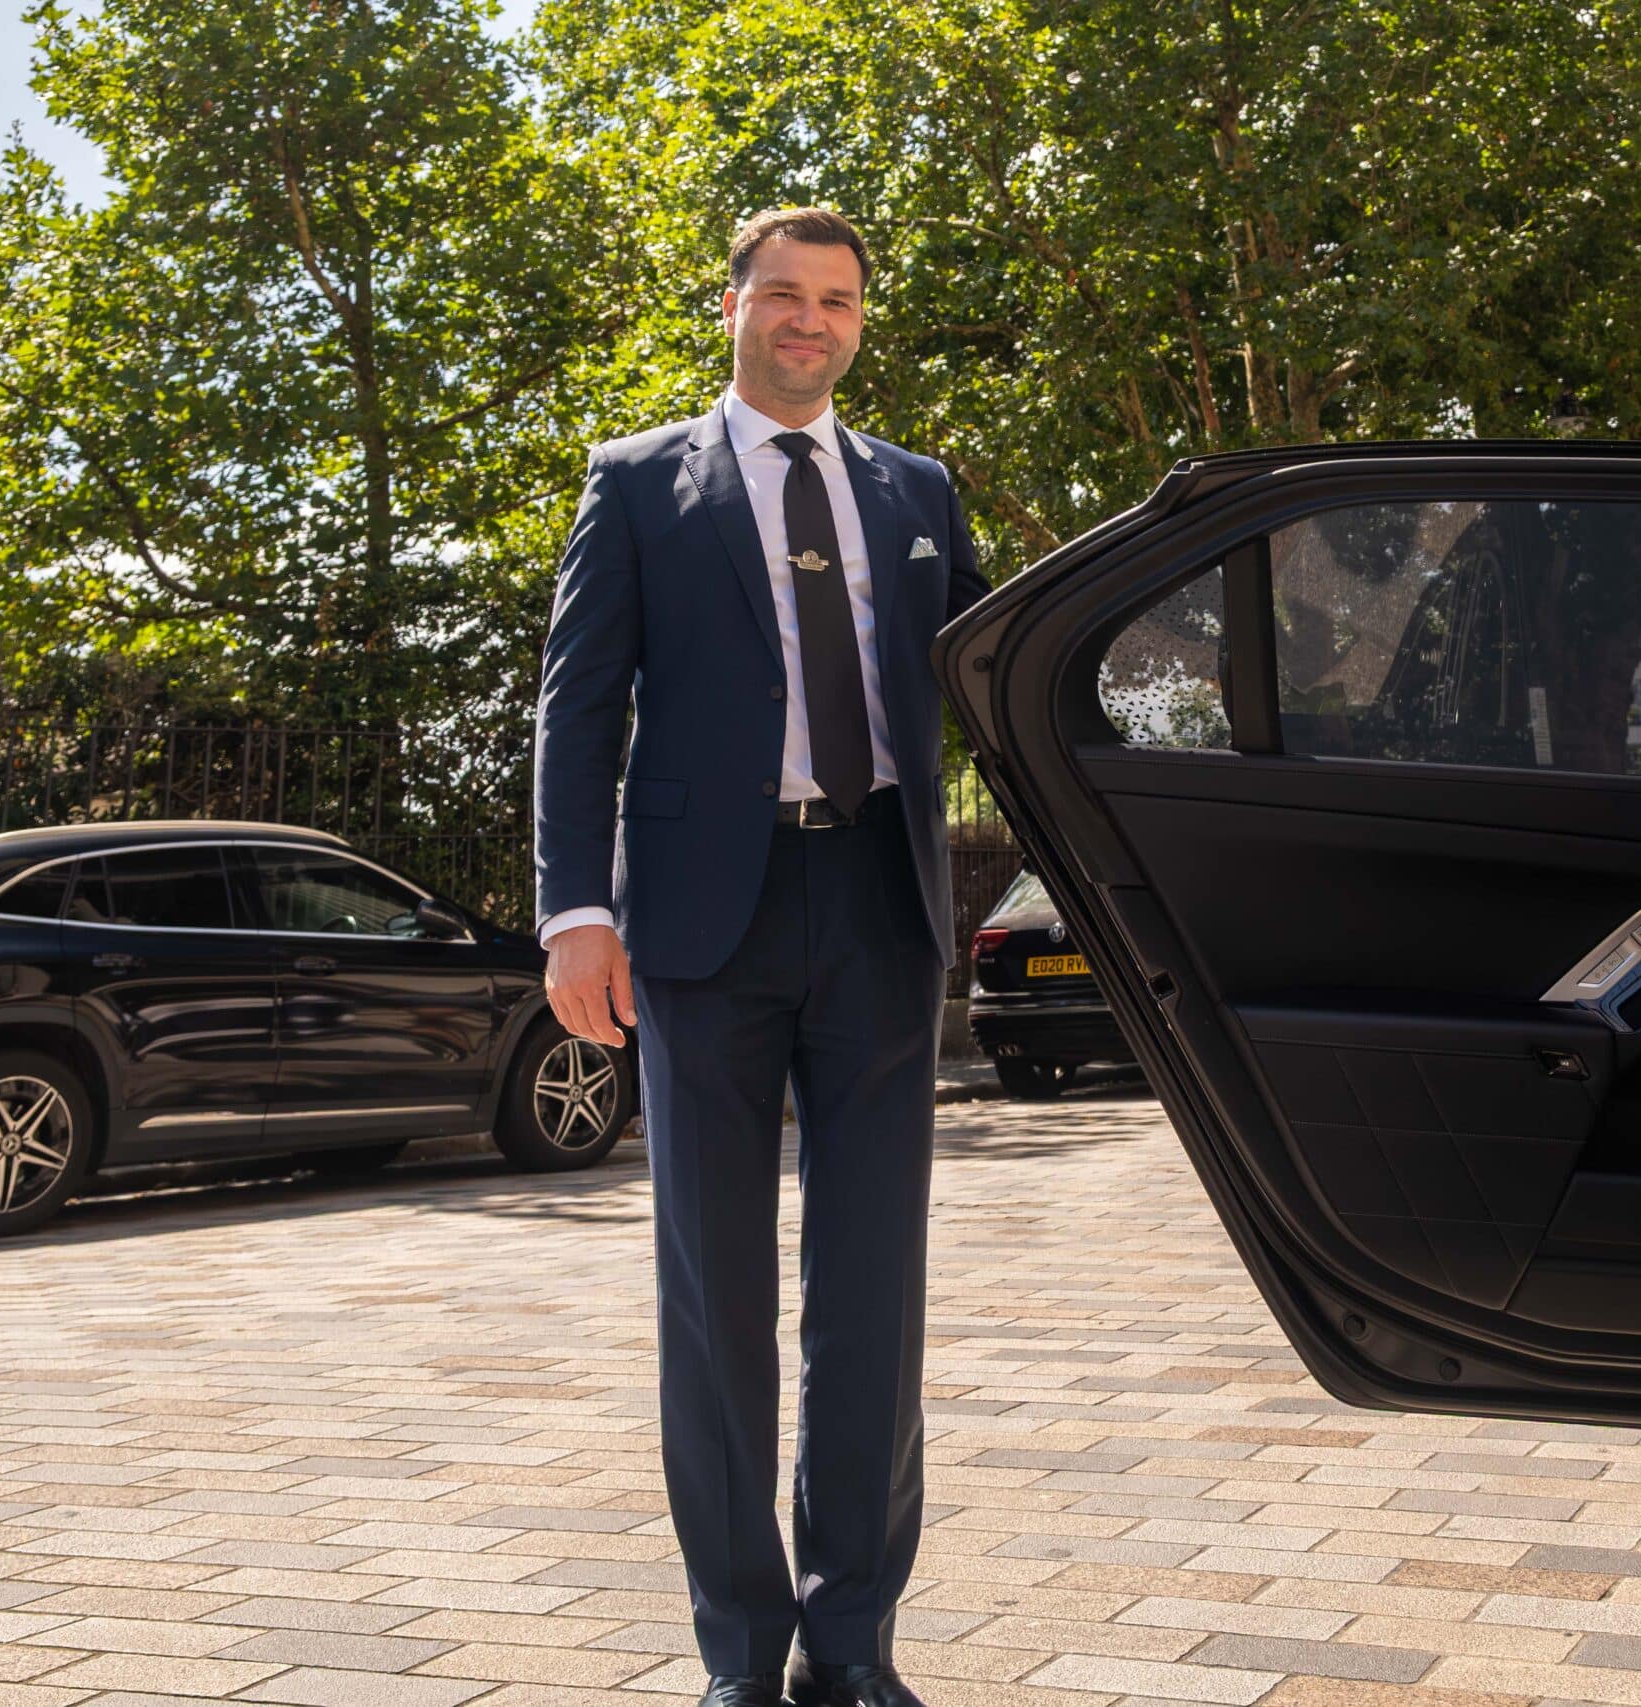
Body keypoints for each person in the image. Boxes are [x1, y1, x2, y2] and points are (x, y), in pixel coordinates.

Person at [532, 207, 990, 1707]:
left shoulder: (919, 491)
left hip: (879, 911)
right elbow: (578, 707)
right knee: (713, 1297)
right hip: (695, 927)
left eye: (839, 301)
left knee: (874, 1292)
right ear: (732, 306)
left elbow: (991, 682)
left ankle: (852, 1644)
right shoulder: (637, 482)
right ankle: (744, 1650)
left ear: (863, 321)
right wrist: (572, 912)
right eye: (784, 296)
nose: (812, 321)